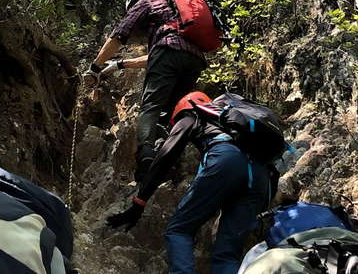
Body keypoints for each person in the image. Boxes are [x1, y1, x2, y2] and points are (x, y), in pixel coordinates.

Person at [106, 92, 271, 274]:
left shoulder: (192, 116)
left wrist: (139, 203)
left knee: (179, 230)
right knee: (227, 255)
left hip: (226, 160)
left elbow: (165, 158)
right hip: (260, 173)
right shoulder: (232, 122)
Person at [84, 0, 207, 180]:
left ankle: (146, 160)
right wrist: (120, 64)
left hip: (168, 55)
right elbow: (160, 54)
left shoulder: (147, 1)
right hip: (195, 61)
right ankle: (169, 160)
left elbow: (119, 35)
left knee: (151, 107)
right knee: (173, 112)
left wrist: (95, 67)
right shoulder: (176, 14)